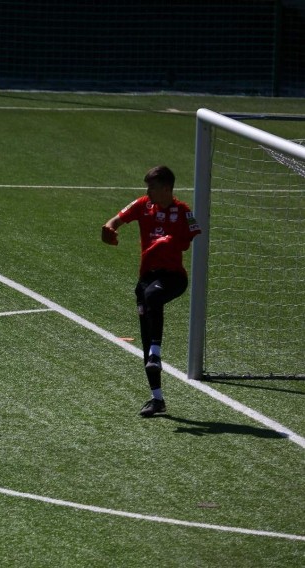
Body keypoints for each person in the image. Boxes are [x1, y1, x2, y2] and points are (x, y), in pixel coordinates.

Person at [101, 165, 202, 417]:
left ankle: (156, 351)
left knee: (153, 296)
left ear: (166, 189)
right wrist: (109, 229)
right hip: (147, 279)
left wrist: (168, 240)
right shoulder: (144, 205)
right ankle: (157, 399)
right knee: (146, 333)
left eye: (153, 187)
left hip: (173, 278)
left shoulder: (182, 212)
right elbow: (116, 219)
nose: (148, 191)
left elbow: (188, 241)